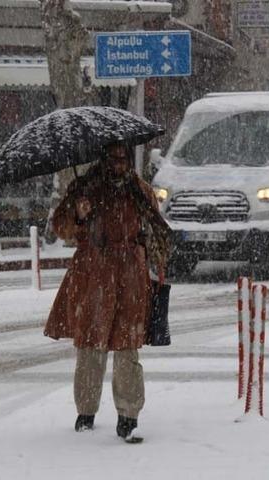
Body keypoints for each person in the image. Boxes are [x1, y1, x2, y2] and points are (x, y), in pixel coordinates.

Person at [44, 142, 161, 443]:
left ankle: (128, 415)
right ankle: (86, 412)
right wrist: (79, 215)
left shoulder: (140, 190)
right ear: (105, 159)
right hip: (93, 273)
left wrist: (149, 253)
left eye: (124, 158)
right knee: (90, 347)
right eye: (115, 158)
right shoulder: (85, 188)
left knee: (127, 348)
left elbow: (155, 226)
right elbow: (61, 226)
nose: (120, 164)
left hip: (130, 276)